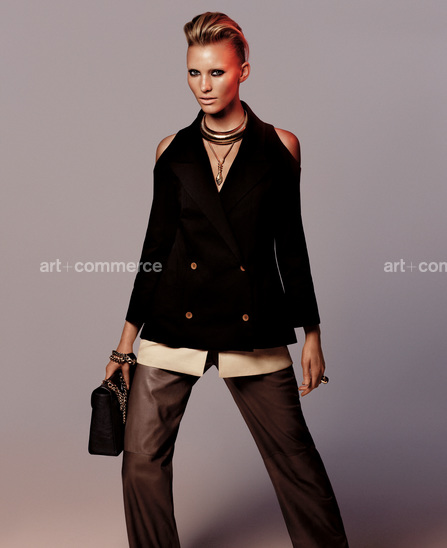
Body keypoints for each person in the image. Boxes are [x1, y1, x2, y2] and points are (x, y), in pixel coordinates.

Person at [105, 12, 349, 548]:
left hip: (251, 320)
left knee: (295, 460)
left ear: (244, 71)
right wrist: (125, 345)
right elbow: (154, 250)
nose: (204, 85)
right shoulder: (171, 150)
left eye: (216, 72)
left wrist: (311, 332)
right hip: (175, 317)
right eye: (194, 73)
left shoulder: (280, 146)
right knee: (141, 458)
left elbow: (291, 244)